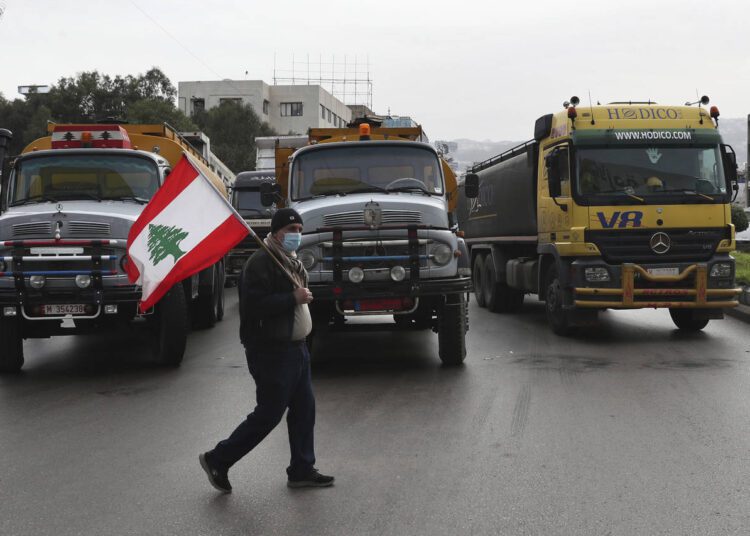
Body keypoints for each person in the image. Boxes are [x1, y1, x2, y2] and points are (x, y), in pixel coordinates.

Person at [199, 208, 334, 493]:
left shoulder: (290, 261)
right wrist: (292, 298)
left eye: (299, 229)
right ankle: (218, 459)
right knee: (269, 414)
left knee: (304, 410)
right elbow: (253, 307)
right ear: (275, 233)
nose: (296, 235)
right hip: (272, 351)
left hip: (296, 349)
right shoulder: (261, 261)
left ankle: (301, 469)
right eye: (290, 230)